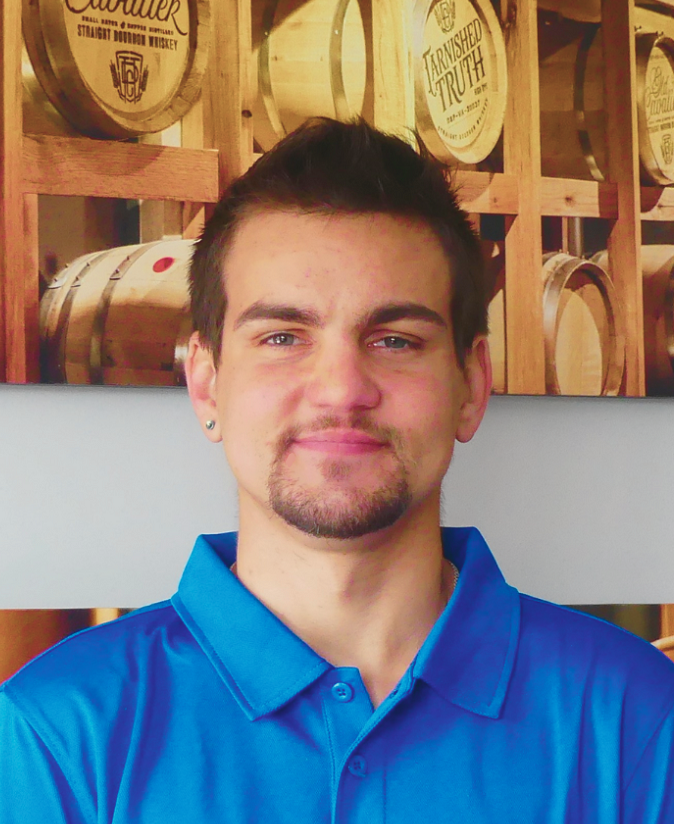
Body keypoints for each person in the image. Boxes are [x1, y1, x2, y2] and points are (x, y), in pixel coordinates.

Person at [1, 118, 674, 822]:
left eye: (394, 340)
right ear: (206, 385)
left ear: (472, 387)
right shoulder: (57, 734)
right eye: (282, 337)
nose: (341, 389)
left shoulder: (635, 719)